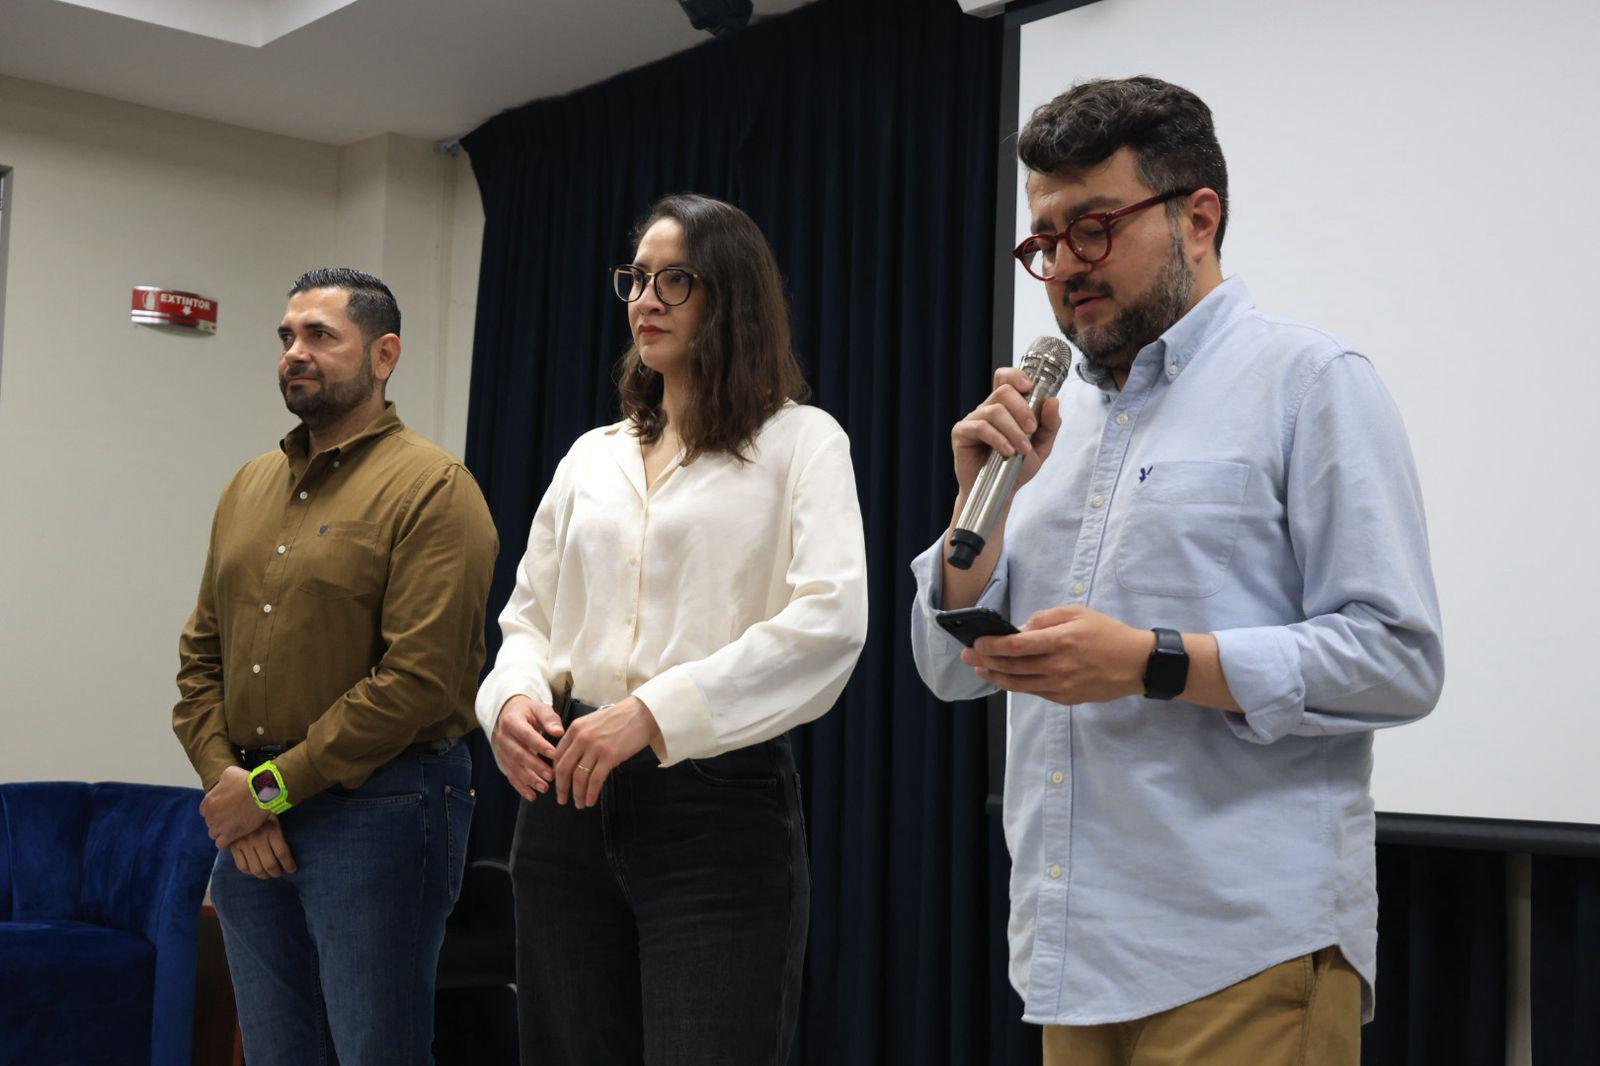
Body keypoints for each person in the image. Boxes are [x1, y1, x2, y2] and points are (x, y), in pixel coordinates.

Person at [910, 77, 1444, 1065]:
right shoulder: (1044, 425)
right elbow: (947, 670)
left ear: (1198, 216)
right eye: (1045, 241)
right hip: (1071, 951)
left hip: (1245, 947)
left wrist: (1154, 660)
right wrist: (975, 507)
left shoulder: (1309, 382)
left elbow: (1396, 657)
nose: (1065, 264)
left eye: (1094, 227)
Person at [477, 192, 868, 1065]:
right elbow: (528, 618)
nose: (644, 300)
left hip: (716, 810)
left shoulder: (802, 442)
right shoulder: (591, 454)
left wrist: (653, 712)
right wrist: (509, 702)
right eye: (637, 278)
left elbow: (830, 620)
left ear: (731, 297)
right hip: (562, 802)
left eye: (674, 280)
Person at [171, 267, 498, 1065]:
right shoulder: (249, 485)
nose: (295, 352)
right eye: (287, 336)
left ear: (384, 355)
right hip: (251, 819)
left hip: (381, 809)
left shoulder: (434, 488)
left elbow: (415, 683)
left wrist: (268, 791)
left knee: (373, 1051)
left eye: (320, 335)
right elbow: (199, 658)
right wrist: (232, 790)